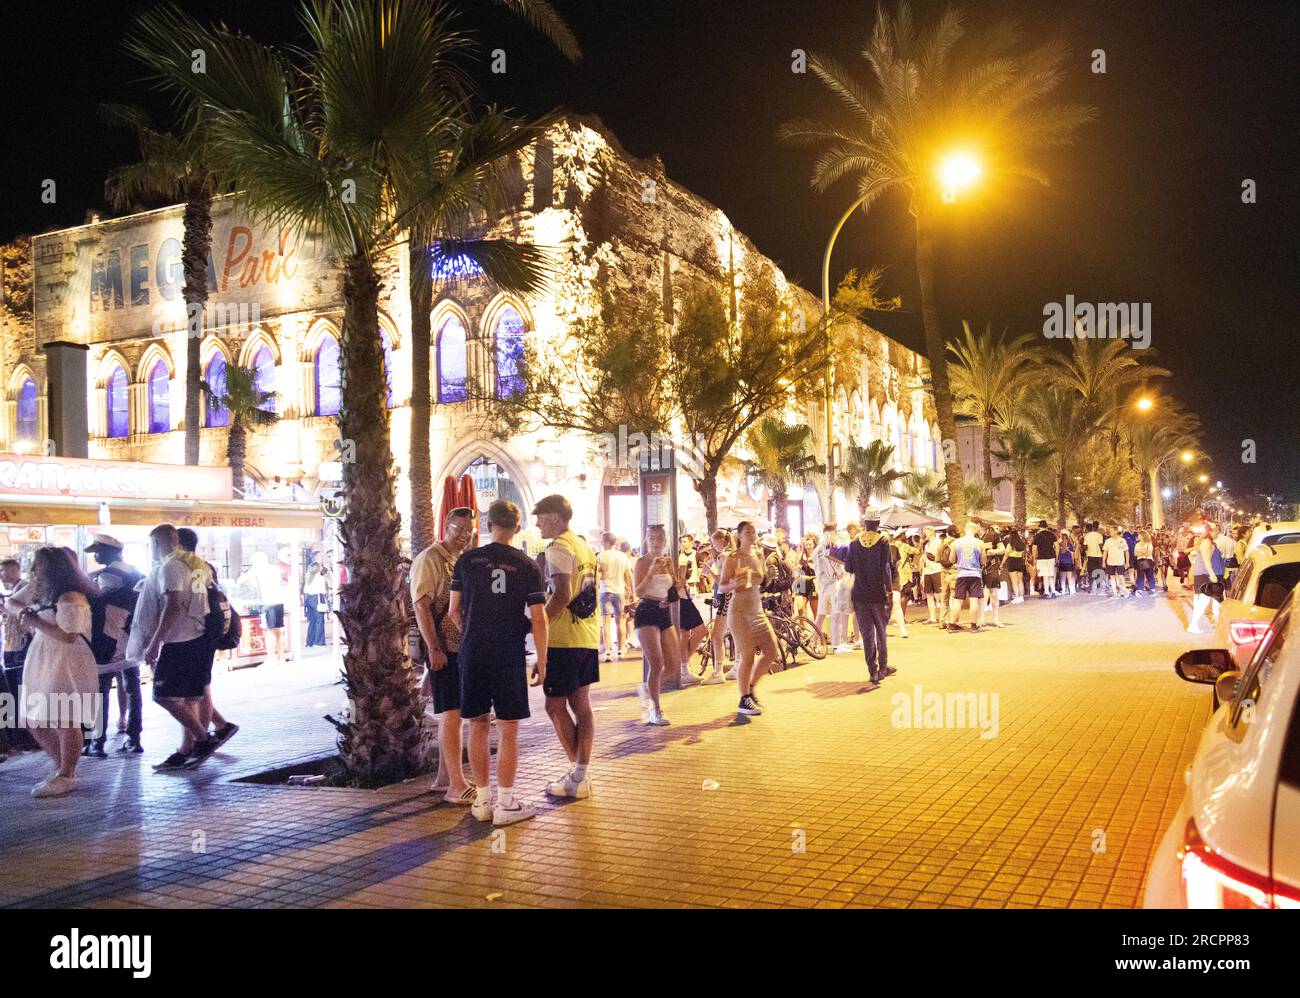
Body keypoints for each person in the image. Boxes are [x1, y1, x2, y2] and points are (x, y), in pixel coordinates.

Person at [449, 499, 548, 826]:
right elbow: (539, 617)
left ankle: (483, 799)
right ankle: (506, 802)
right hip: (507, 653)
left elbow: (453, 612)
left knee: (477, 723)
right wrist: (542, 660)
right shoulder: (527, 565)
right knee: (508, 727)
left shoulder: (465, 561)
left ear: (489, 525)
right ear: (517, 527)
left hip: (473, 652)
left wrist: (471, 633)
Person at [129, 524, 220, 772]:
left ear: (159, 543)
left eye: (153, 544)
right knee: (188, 697)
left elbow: (174, 604)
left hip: (179, 639)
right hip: (198, 636)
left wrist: (156, 641)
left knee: (164, 695)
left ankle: (202, 739)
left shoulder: (171, 566)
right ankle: (186, 748)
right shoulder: (197, 564)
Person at [9, 548, 98, 798]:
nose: (32, 569)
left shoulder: (71, 596)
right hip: (43, 653)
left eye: (37, 564)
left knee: (63, 715)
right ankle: (62, 768)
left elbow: (69, 635)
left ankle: (67, 773)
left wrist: (34, 620)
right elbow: (13, 601)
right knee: (32, 717)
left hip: (66, 658)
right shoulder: (39, 588)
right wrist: (23, 612)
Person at [534, 494, 600, 799]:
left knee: (554, 705)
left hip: (563, 641)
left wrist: (539, 626)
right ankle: (580, 774)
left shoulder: (558, 547)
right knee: (581, 707)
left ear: (557, 518)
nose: (537, 524)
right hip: (587, 636)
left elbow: (560, 594)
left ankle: (577, 774)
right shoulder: (583, 545)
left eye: (542, 517)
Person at [411, 505, 477, 805]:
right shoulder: (431, 559)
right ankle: (456, 785)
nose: (464, 535)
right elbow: (421, 605)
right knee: (451, 714)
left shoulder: (457, 559)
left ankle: (444, 778)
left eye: (469, 530)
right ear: (446, 526)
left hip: (456, 647)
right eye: (458, 529)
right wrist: (434, 648)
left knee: (455, 713)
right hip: (443, 649)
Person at [82, 533, 144, 757]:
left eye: (98, 551)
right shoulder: (137, 573)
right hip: (132, 638)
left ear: (110, 552)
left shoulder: (108, 576)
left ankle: (97, 742)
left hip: (108, 639)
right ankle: (134, 738)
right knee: (132, 689)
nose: (95, 555)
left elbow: (97, 600)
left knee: (101, 691)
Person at [177, 528, 239, 754]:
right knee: (195, 689)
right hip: (201, 636)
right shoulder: (200, 567)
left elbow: (190, 605)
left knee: (194, 692)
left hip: (198, 636)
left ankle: (197, 742)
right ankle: (219, 726)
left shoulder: (193, 569)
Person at [719, 521, 779, 716]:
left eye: (754, 531)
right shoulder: (732, 558)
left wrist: (769, 577)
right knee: (747, 654)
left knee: (771, 652)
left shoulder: (759, 554)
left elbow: (762, 581)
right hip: (739, 612)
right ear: (739, 535)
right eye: (748, 532)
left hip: (757, 610)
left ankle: (751, 688)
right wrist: (733, 584)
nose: (752, 535)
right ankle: (743, 699)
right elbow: (721, 587)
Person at [828, 515, 896, 681]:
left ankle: (872, 671)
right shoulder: (883, 541)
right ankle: (883, 667)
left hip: (859, 595)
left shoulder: (855, 543)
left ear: (865, 523)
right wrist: (889, 591)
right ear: (878, 523)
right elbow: (886, 568)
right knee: (881, 631)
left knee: (866, 635)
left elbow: (849, 568)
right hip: (878, 593)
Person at [633, 524, 678, 725]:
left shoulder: (668, 561)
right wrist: (651, 572)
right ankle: (655, 710)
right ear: (646, 540)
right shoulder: (642, 562)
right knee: (657, 663)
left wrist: (676, 581)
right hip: (646, 611)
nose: (656, 543)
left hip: (662, 610)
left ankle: (648, 689)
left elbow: (672, 586)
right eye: (652, 539)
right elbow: (638, 591)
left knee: (673, 664)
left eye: (660, 539)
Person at [702, 527, 734, 684]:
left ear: (721, 541)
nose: (713, 546)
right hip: (734, 597)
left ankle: (718, 671)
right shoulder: (733, 555)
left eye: (714, 542)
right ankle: (736, 667)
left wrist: (709, 572)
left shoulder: (723, 557)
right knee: (735, 634)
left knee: (716, 635)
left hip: (726, 598)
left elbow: (722, 582)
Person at [673, 534, 705, 687]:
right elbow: (679, 581)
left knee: (695, 631)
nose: (683, 544)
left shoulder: (692, 555)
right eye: (682, 541)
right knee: (686, 633)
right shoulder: (679, 559)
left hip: (686, 594)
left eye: (686, 541)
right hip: (681, 596)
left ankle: (683, 665)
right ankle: (683, 667)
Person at [595, 532, 630, 662]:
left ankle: (608, 651)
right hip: (619, 591)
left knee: (605, 623)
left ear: (605, 542)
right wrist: (630, 590)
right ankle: (621, 650)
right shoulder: (622, 556)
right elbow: (628, 575)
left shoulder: (600, 556)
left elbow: (597, 575)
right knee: (620, 621)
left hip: (605, 591)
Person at [948, 522, 986, 633]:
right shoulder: (980, 543)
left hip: (961, 575)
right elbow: (983, 561)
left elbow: (951, 560)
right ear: (975, 530)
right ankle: (973, 626)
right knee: (974, 599)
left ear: (965, 529)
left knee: (958, 600)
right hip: (975, 575)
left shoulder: (957, 542)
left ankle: (952, 625)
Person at [1186, 523, 1224, 634]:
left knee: (1216, 601)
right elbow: (1207, 560)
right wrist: (1212, 575)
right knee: (1205, 601)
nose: (1218, 533)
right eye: (1216, 530)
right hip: (1207, 576)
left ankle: (1216, 625)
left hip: (1210, 575)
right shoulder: (1207, 543)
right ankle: (1193, 625)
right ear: (1210, 531)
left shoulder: (1209, 543)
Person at [302, 553, 330, 647]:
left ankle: (310, 642)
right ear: (316, 558)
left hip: (309, 597)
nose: (323, 558)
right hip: (318, 597)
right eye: (321, 556)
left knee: (313, 621)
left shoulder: (310, 569)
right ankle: (318, 642)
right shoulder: (322, 570)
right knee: (319, 620)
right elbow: (330, 581)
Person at [982, 526, 1007, 627]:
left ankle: (996, 619)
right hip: (978, 568)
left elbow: (1002, 549)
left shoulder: (993, 535)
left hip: (992, 568)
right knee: (981, 595)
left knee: (994, 594)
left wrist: (994, 551)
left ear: (978, 525)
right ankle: (981, 619)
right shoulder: (973, 537)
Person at [919, 527, 945, 622]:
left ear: (931, 532)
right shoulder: (926, 545)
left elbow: (940, 558)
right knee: (929, 595)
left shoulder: (939, 542)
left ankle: (943, 617)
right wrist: (923, 575)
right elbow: (925, 561)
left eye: (925, 531)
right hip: (928, 572)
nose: (924, 534)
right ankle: (933, 617)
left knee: (941, 595)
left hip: (937, 570)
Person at [1031, 521, 1059, 600]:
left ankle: (1047, 592)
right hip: (1051, 557)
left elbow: (1034, 548)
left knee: (1045, 575)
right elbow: (1057, 546)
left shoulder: (1037, 536)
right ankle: (1053, 592)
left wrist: (1034, 559)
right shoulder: (1052, 535)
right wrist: (1056, 556)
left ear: (1040, 527)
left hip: (1041, 558)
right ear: (1046, 527)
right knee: (1051, 575)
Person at [1103, 525, 1131, 598]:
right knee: (1112, 577)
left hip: (1120, 562)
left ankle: (1123, 591)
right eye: (1110, 531)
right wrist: (1103, 562)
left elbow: (1126, 552)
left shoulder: (1122, 540)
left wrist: (1127, 562)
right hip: (1110, 562)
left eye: (1111, 531)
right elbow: (1105, 552)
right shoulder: (1108, 541)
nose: (1110, 532)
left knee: (1121, 577)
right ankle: (1115, 593)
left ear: (1116, 531)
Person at [1004, 527, 1027, 603]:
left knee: (1014, 581)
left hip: (1012, 561)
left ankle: (1017, 597)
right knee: (1020, 580)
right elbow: (1024, 554)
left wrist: (1001, 564)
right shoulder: (1022, 544)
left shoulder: (1010, 545)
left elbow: (1006, 555)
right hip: (1020, 561)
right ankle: (1021, 597)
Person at [1083, 521, 1106, 595]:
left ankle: (1091, 589)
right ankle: (1099, 588)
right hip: (1098, 556)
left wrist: (1087, 552)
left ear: (1092, 527)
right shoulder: (1099, 535)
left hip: (1090, 556)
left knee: (1090, 573)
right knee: (1099, 572)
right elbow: (1101, 546)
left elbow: (1085, 547)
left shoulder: (1087, 536)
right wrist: (1104, 554)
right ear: (1098, 527)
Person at [1133, 529, 1156, 595]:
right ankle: (1140, 589)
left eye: (1139, 535)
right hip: (1140, 561)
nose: (1138, 536)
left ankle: (1152, 589)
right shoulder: (1137, 544)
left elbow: (1149, 553)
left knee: (1150, 575)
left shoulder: (1149, 543)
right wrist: (1144, 552)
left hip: (1148, 560)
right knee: (1140, 575)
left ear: (1143, 536)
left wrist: (1140, 553)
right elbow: (1135, 553)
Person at [1057, 528, 1077, 596]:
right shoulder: (1070, 545)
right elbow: (1073, 553)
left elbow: (1058, 554)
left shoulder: (1059, 545)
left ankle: (1063, 591)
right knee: (1069, 577)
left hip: (1062, 562)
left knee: (1062, 578)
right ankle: (1071, 591)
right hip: (1069, 562)